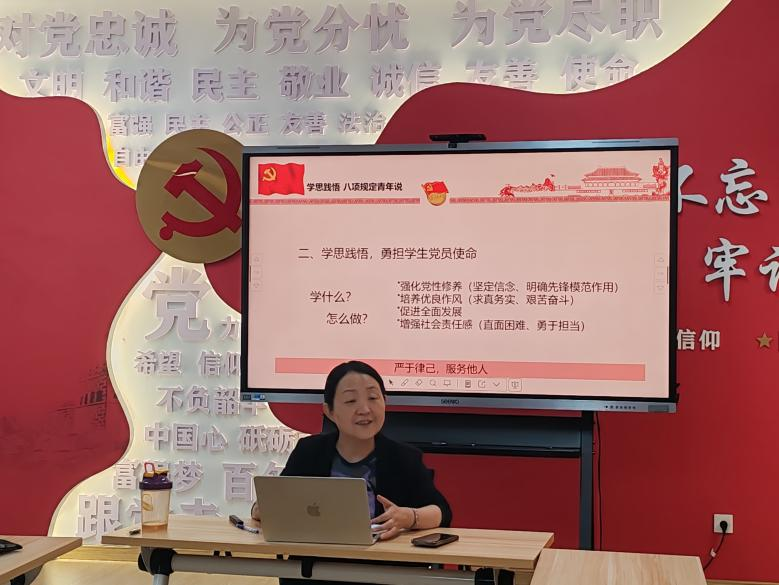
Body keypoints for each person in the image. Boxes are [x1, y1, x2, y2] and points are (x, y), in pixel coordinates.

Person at [251, 360, 452, 585]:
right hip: (316, 570)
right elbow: (277, 502)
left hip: (386, 573)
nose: (365, 409)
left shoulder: (403, 457)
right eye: (350, 401)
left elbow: (441, 512)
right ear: (329, 411)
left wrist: (409, 517)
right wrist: (261, 509)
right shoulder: (309, 451)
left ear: (385, 402)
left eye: (373, 398)